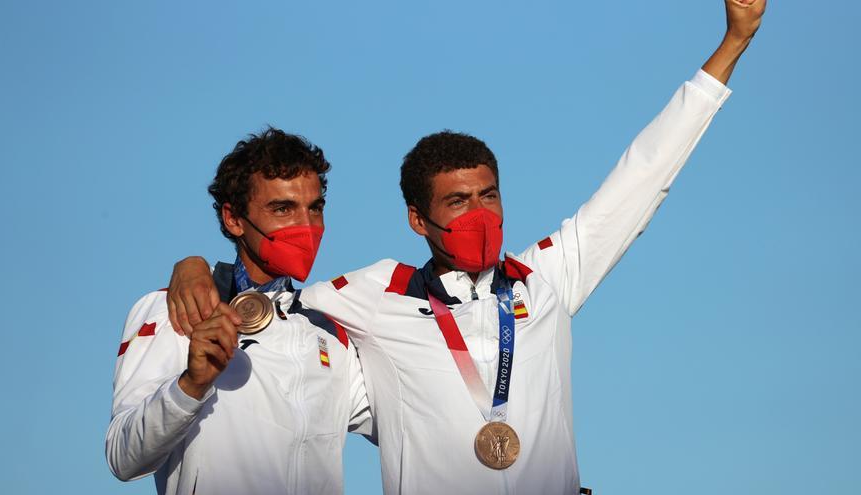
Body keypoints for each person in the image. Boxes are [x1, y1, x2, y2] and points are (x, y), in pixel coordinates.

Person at [167, 2, 767, 493]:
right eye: (458, 202)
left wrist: (731, 45)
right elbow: (269, 302)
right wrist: (193, 266)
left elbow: (642, 178)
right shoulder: (371, 294)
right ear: (417, 219)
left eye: (488, 196)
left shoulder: (547, 276)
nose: (479, 215)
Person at [106, 127, 372, 495]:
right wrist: (191, 386)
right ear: (234, 219)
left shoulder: (332, 333)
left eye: (314, 208)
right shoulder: (175, 309)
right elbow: (123, 456)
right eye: (282, 209)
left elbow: (415, 417)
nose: (305, 226)